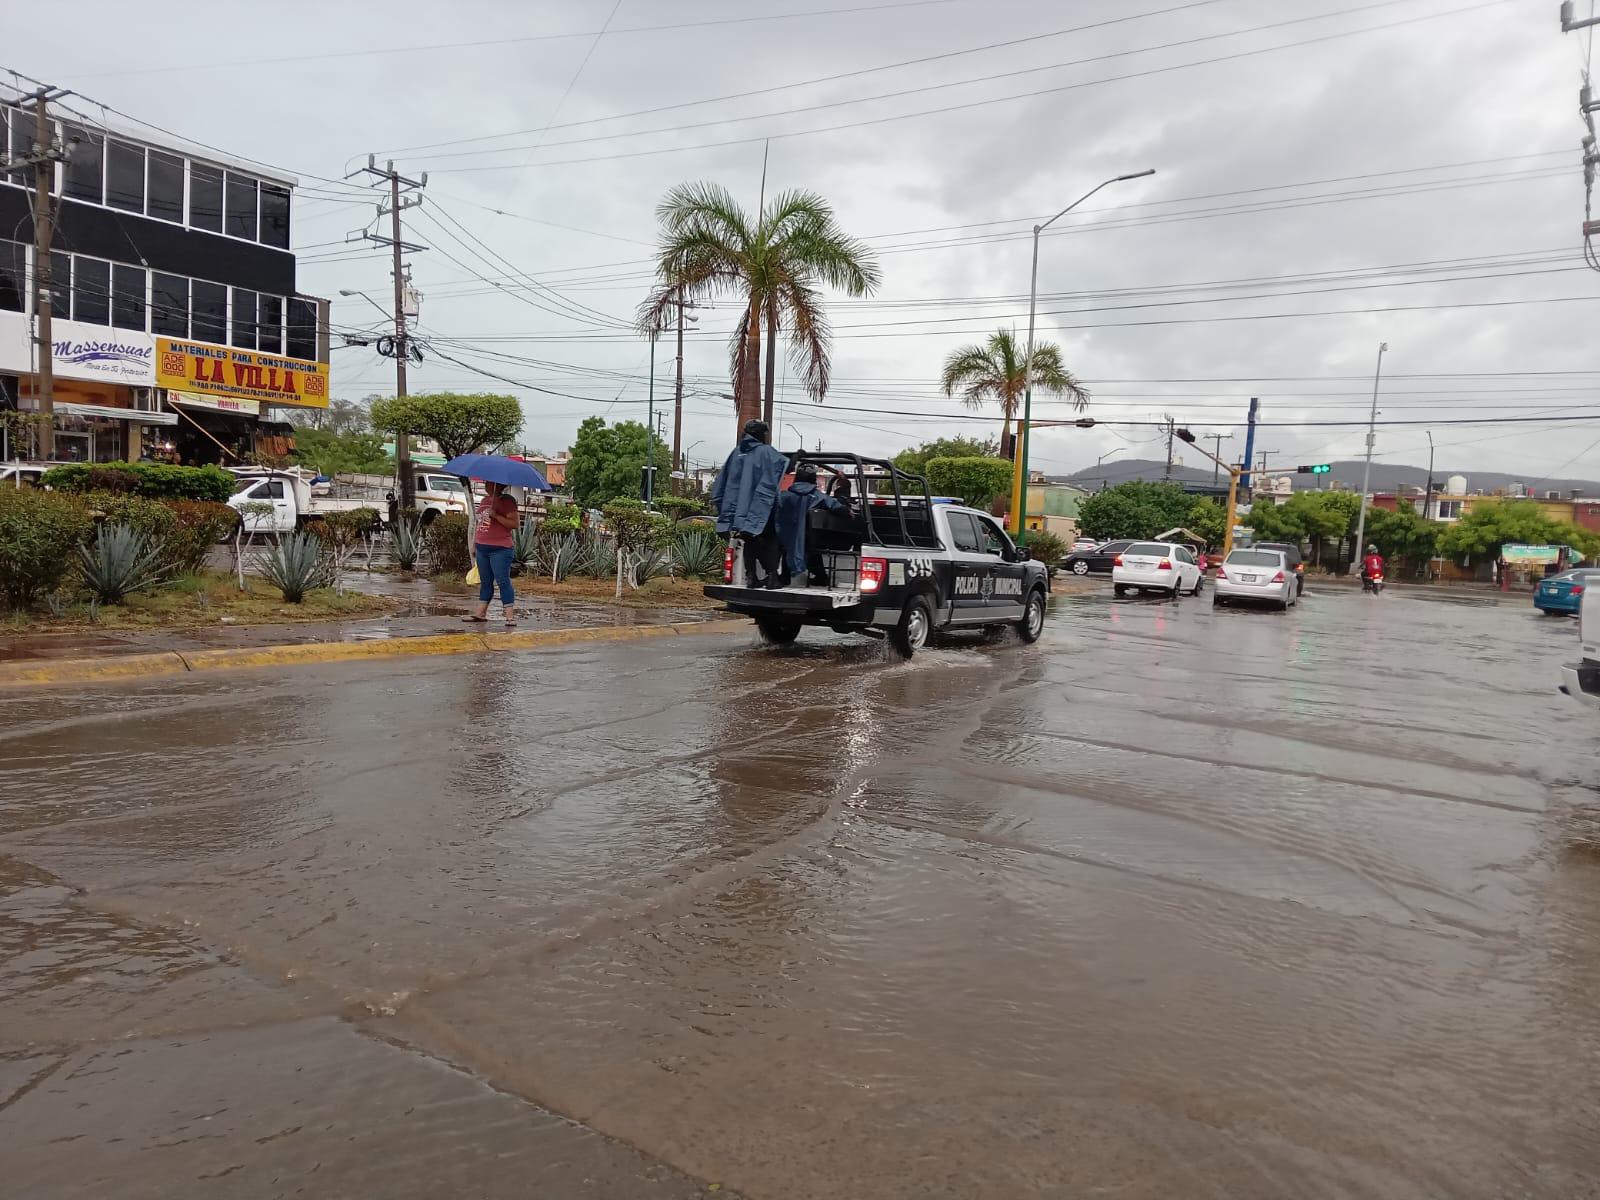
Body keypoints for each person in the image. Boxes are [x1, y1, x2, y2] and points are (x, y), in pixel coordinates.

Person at [711, 419, 789, 586]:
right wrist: (798, 457)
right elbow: (782, 466)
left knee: (750, 541)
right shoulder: (766, 452)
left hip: (740, 515)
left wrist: (725, 515)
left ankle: (751, 576)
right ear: (761, 435)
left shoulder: (736, 452)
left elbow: (720, 486)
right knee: (771, 541)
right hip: (762, 511)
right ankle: (772, 577)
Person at [774, 464, 845, 586]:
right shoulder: (819, 496)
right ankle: (821, 576)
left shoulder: (784, 496)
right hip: (810, 540)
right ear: (813, 479)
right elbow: (838, 507)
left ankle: (782, 576)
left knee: (785, 545)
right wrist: (849, 512)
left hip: (785, 538)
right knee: (814, 546)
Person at [464, 481, 520, 626]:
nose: (486, 485)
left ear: (499, 485)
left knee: (503, 581)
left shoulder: (507, 501)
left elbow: (514, 524)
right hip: (483, 547)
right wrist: (475, 543)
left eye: (489, 483)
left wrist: (496, 516)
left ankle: (509, 616)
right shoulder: (484, 500)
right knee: (485, 582)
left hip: (500, 548)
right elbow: (480, 524)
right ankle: (480, 613)